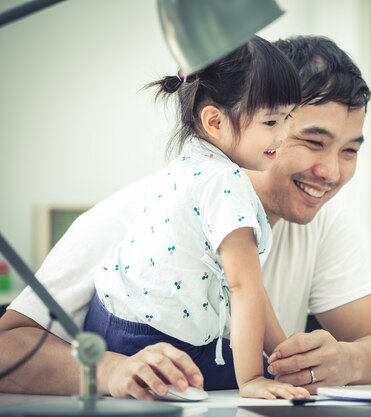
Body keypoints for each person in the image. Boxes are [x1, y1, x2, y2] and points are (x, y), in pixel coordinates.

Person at [0, 36, 371, 400]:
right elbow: (7, 350)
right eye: (310, 140)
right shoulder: (132, 213)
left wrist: (347, 360)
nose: (332, 172)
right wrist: (109, 370)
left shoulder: (321, 221)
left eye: (350, 151)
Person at [82, 35, 309, 400]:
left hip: (106, 320)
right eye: (271, 121)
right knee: (279, 378)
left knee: (281, 371)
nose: (284, 135)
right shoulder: (226, 181)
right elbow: (244, 287)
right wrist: (253, 378)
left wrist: (282, 354)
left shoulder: (189, 163)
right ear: (215, 121)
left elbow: (248, 286)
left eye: (288, 118)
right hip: (150, 341)